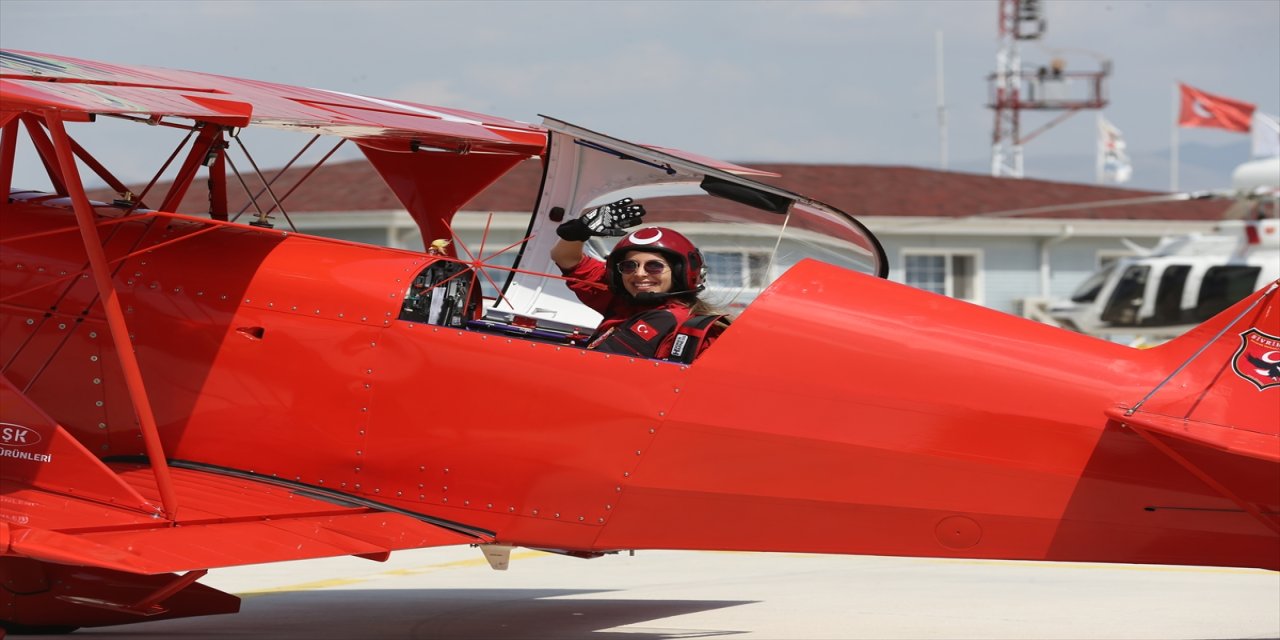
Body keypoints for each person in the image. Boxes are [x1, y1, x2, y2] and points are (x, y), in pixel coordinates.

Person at [550, 198, 724, 360]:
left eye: (654, 266)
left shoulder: (665, 319)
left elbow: (598, 364)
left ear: (679, 273)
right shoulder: (626, 301)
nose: (639, 274)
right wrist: (578, 232)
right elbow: (567, 258)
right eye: (629, 266)